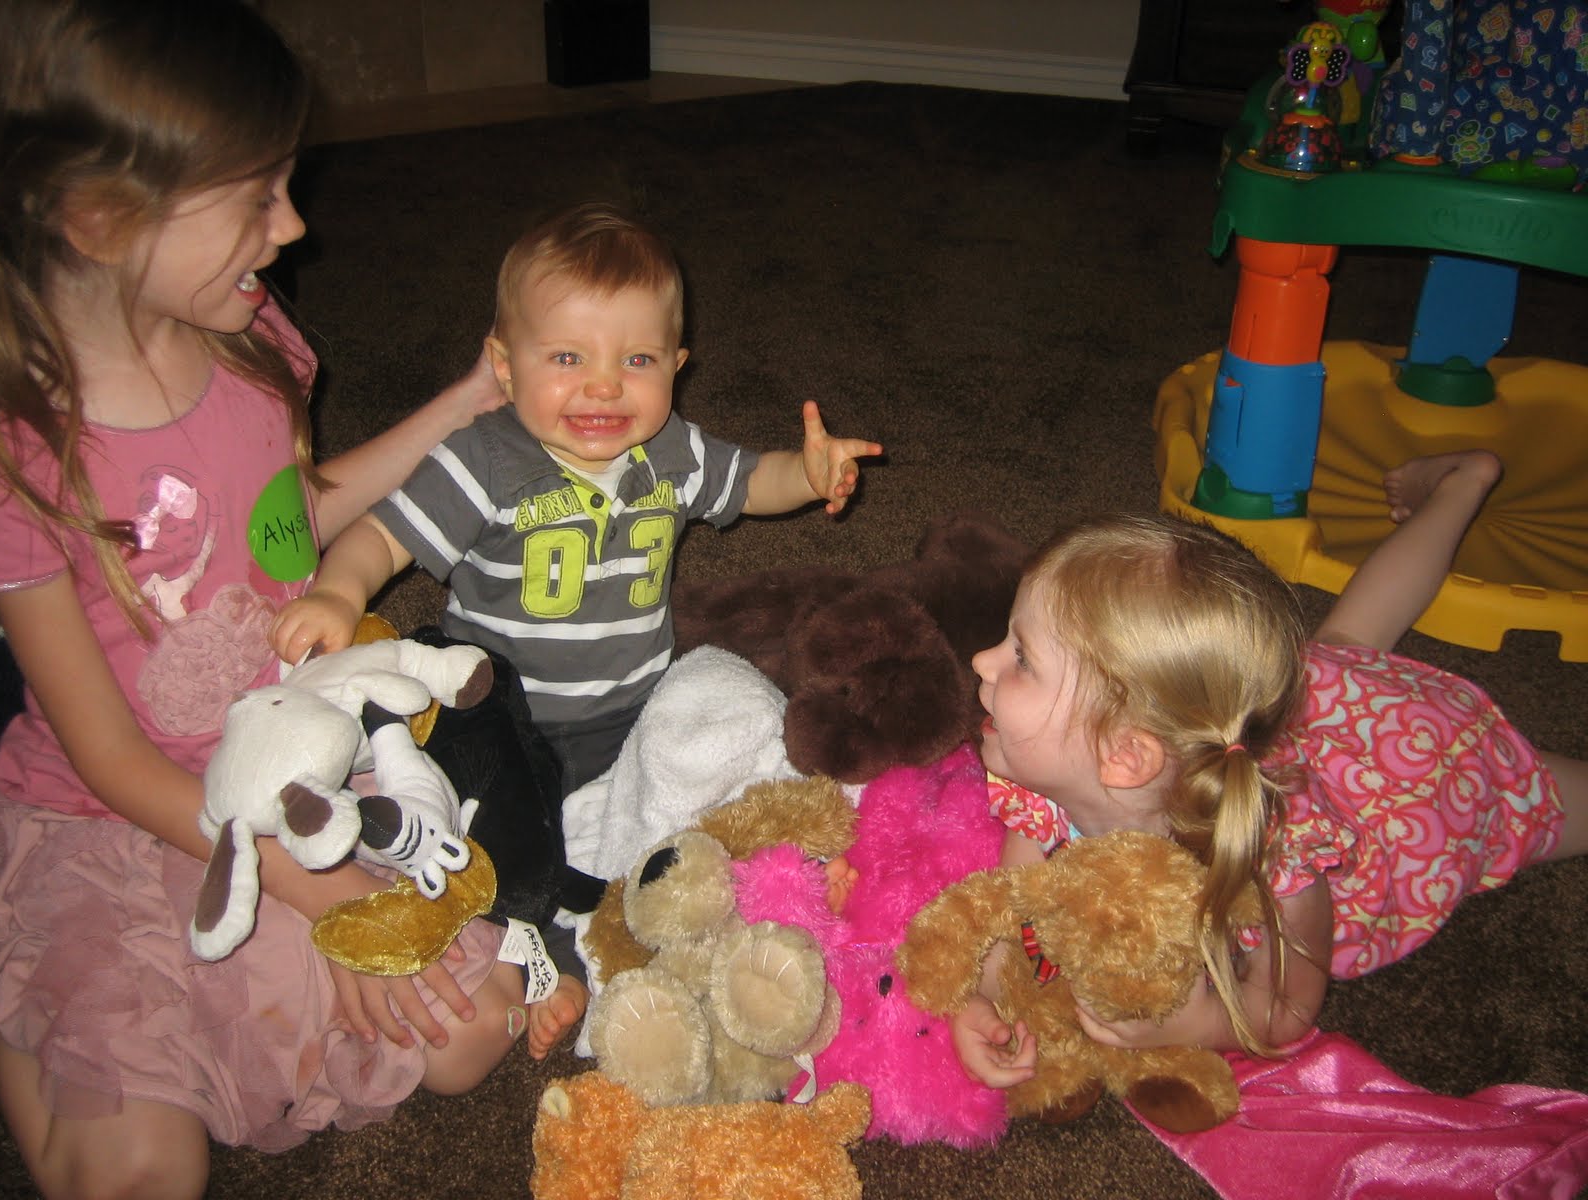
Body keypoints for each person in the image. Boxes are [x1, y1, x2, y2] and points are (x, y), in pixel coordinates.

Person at [0, 3, 551, 1196]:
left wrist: (463, 402)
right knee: (145, 1169)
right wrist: (313, 890)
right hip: (119, 815)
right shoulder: (20, 458)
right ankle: (31, 997)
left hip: (289, 766)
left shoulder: (250, 346)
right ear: (101, 220)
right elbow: (107, 760)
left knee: (472, 1032)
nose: (293, 225)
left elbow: (291, 522)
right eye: (257, 198)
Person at [952, 450, 1588, 1089]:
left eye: (1022, 658)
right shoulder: (1053, 782)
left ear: (1124, 756)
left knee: (1532, 800)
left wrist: (1199, 1024)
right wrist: (988, 994)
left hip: (1422, 774)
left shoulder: (1274, 856)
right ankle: (1465, 481)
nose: (982, 660)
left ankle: (1464, 493)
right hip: (1323, 698)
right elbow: (1015, 904)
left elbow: (1286, 1008)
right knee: (1346, 640)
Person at [269, 201, 884, 799]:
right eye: (568, 357)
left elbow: (748, 483)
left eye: (638, 359)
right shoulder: (483, 459)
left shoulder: (674, 450)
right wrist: (338, 593)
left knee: (712, 756)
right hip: (498, 709)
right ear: (505, 368)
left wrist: (804, 476)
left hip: (635, 704)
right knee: (488, 822)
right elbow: (381, 536)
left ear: (676, 367)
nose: (605, 386)